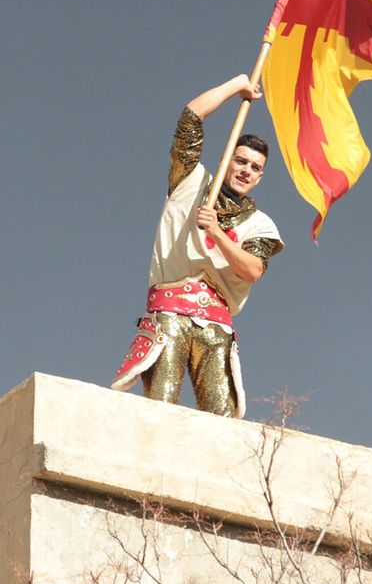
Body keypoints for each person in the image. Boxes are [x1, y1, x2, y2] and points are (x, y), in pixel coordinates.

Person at [112, 74, 283, 417]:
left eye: (255, 167)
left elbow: (253, 270)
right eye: (241, 161)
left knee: (222, 422)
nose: (246, 170)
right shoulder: (190, 182)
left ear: (261, 176)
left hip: (216, 323)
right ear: (226, 160)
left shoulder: (260, 224)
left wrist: (218, 233)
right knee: (160, 411)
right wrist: (238, 86)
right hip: (171, 311)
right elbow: (191, 116)